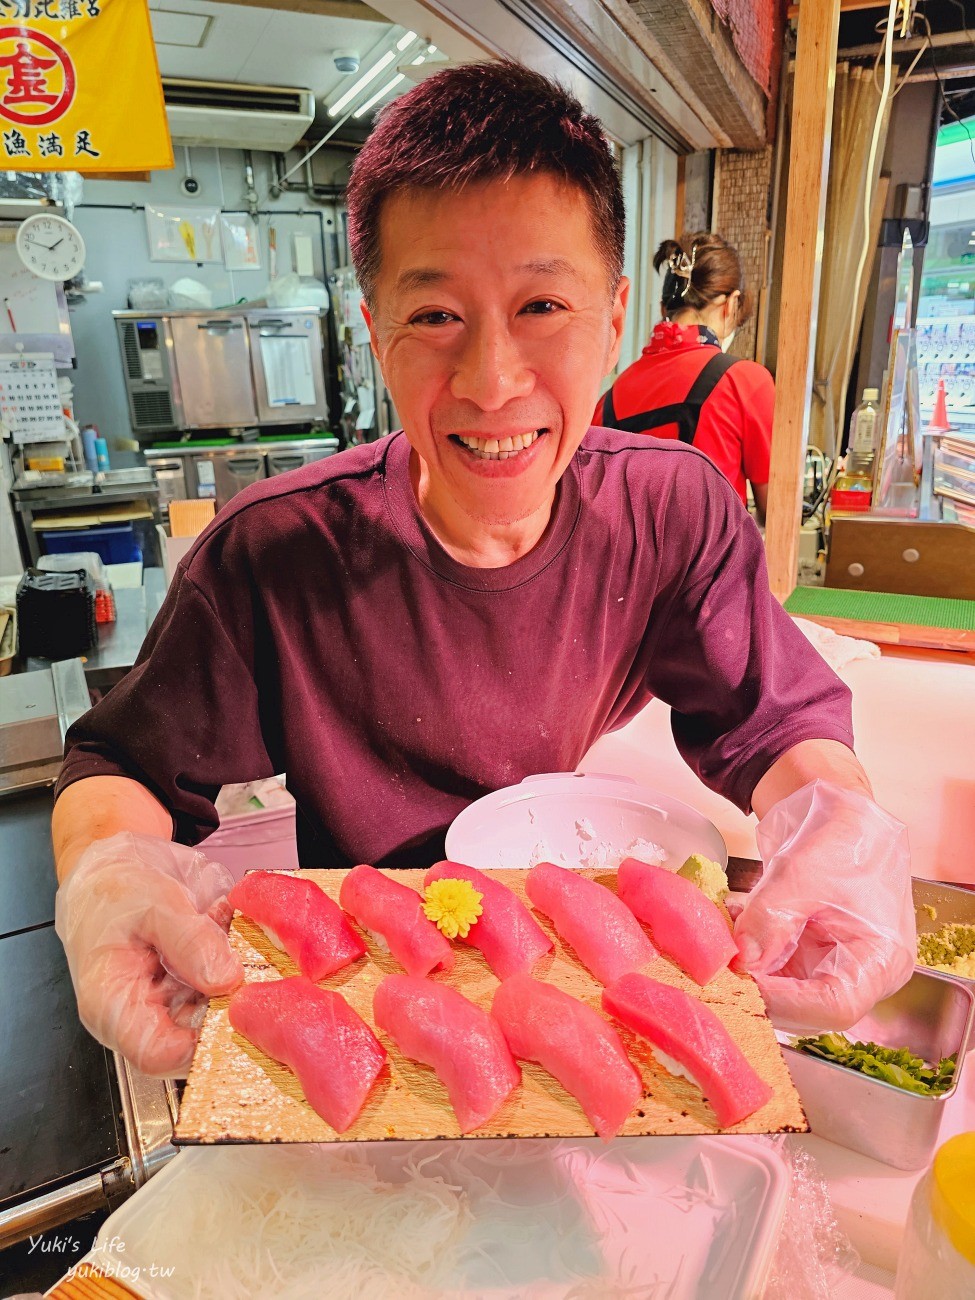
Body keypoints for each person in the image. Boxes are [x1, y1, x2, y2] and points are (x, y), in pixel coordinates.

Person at [51, 61, 914, 1079]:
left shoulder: (671, 508)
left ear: (616, 312)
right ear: (375, 333)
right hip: (367, 986)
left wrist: (840, 823)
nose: (493, 382)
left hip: (567, 959)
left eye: (543, 305)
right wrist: (105, 870)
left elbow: (776, 721)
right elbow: (124, 768)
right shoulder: (272, 554)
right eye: (433, 316)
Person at [595, 233, 773, 522]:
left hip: (625, 567)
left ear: (664, 309)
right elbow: (773, 510)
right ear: (730, 305)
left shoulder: (608, 400)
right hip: (715, 567)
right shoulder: (746, 381)